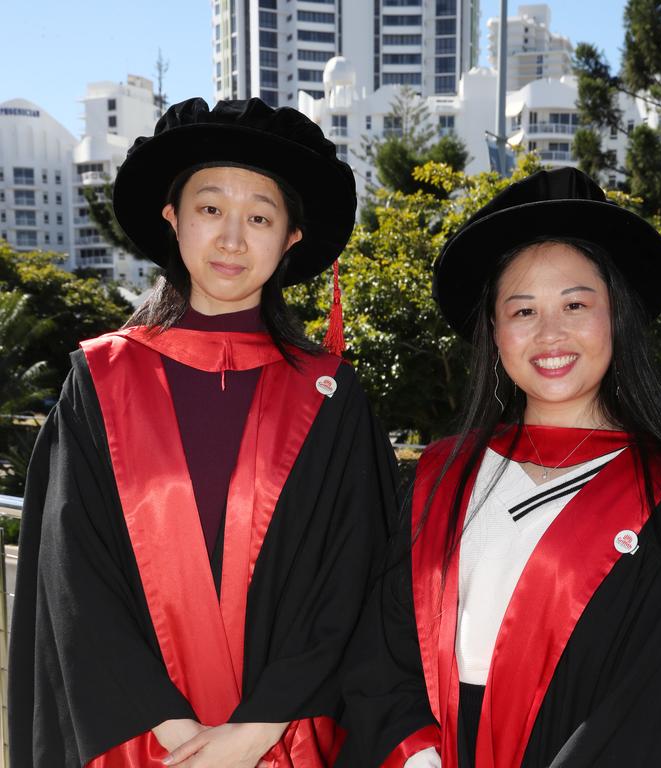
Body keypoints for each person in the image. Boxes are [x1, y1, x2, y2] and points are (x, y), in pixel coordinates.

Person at [9, 98, 398, 767]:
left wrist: (252, 733)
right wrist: (180, 737)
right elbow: (74, 575)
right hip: (138, 742)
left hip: (285, 742)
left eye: (260, 217)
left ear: (292, 239)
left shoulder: (331, 398)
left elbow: (354, 577)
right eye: (211, 208)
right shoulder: (101, 382)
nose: (232, 239)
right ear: (174, 219)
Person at [338, 168, 661, 767]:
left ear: (615, 315)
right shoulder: (438, 480)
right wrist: (415, 757)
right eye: (522, 312)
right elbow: (380, 657)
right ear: (494, 330)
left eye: (574, 304)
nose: (550, 334)